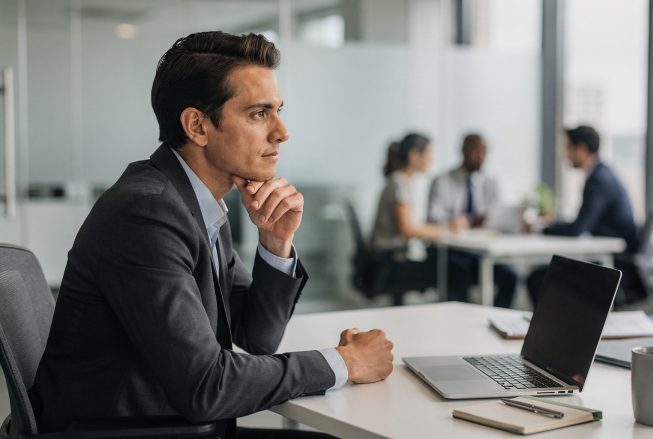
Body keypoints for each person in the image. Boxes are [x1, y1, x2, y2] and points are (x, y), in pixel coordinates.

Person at [29, 31, 393, 439]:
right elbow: (207, 387)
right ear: (197, 126)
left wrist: (275, 243)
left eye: (278, 111)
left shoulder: (195, 202)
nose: (282, 131)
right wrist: (344, 363)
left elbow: (257, 338)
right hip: (127, 431)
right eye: (259, 113)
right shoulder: (146, 214)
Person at [526, 125, 639, 305]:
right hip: (616, 263)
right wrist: (553, 223)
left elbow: (578, 228)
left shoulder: (598, 180)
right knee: (542, 275)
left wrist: (542, 227)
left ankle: (556, 331)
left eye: (568, 148)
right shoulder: (603, 173)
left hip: (613, 268)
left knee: (539, 279)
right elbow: (584, 223)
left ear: (582, 149)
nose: (566, 155)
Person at [368, 133, 464, 303]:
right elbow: (407, 230)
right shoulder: (399, 183)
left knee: (450, 268)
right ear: (414, 155)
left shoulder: (400, 181)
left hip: (388, 261)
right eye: (428, 153)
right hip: (389, 265)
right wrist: (447, 228)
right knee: (452, 272)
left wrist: (442, 227)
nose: (430, 159)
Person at [427, 133, 518, 308]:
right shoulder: (443, 181)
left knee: (510, 276)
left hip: (481, 251)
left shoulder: (491, 181)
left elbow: (498, 214)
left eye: (484, 152)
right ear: (463, 151)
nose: (480, 156)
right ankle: (460, 323)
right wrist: (465, 221)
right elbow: (432, 219)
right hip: (451, 251)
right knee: (457, 273)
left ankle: (496, 319)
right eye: (475, 151)